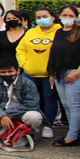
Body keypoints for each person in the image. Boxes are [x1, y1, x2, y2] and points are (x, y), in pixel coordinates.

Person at [16, 7, 61, 138]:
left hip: (50, 75)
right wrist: (24, 64)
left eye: (45, 16)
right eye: (39, 17)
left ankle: (48, 125)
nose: (42, 19)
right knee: (25, 99)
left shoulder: (60, 31)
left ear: (53, 17)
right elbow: (21, 49)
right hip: (30, 73)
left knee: (50, 99)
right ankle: (27, 125)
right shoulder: (30, 32)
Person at [0, 58, 45, 136]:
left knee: (34, 117)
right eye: (3, 72)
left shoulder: (28, 84)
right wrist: (0, 114)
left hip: (21, 113)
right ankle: (1, 130)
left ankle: (25, 132)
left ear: (18, 71)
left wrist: (5, 114)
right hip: (0, 111)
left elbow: (32, 104)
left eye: (10, 71)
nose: (7, 74)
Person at [48, 5, 80, 147]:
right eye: (65, 15)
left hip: (74, 72)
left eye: (71, 16)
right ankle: (73, 134)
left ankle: (72, 136)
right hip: (59, 73)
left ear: (76, 17)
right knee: (65, 105)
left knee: (74, 105)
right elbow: (55, 54)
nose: (67, 19)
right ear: (59, 16)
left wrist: (77, 73)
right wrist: (51, 73)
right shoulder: (58, 32)